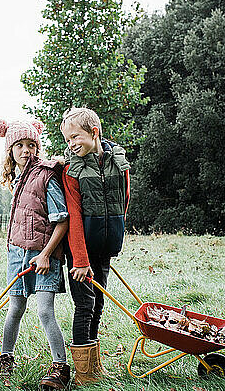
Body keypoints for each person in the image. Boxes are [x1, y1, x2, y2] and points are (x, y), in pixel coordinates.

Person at [0, 118, 71, 390]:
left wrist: (47, 254)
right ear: (10, 151)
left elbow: (62, 220)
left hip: (44, 257)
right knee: (14, 308)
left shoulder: (46, 176)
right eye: (19, 145)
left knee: (44, 311)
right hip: (17, 254)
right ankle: (5, 358)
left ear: (38, 147)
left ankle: (60, 366)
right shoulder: (16, 180)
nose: (26, 150)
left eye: (31, 145)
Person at [59, 107, 130, 385]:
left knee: (98, 303)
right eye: (67, 140)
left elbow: (124, 200)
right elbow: (74, 216)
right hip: (81, 254)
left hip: (104, 247)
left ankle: (94, 367)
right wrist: (79, 259)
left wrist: (115, 235)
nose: (71, 144)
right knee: (84, 304)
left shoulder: (118, 162)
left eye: (75, 137)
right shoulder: (72, 171)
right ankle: (83, 373)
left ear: (94, 132)